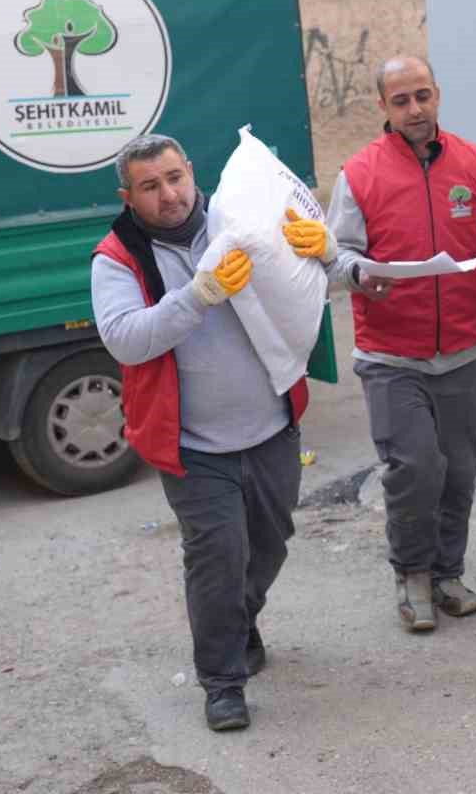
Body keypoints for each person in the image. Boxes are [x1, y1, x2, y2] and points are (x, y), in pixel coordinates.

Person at [91, 133, 333, 733]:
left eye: (175, 177)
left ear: (192, 172)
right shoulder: (116, 258)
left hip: (272, 426)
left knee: (270, 544)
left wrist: (329, 255)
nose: (169, 195)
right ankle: (223, 681)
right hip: (195, 446)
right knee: (217, 560)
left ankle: (238, 619)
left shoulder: (241, 219)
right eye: (150, 186)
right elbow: (125, 338)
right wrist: (197, 294)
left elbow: (317, 286)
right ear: (129, 196)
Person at [325, 56, 476, 632]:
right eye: (401, 101)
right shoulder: (358, 175)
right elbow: (332, 258)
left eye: (423, 96)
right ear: (383, 108)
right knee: (414, 466)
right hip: (392, 354)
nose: (415, 110)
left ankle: (448, 573)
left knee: (459, 468)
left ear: (438, 94)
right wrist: (360, 274)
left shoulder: (475, 164)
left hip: (464, 350)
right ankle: (412, 575)